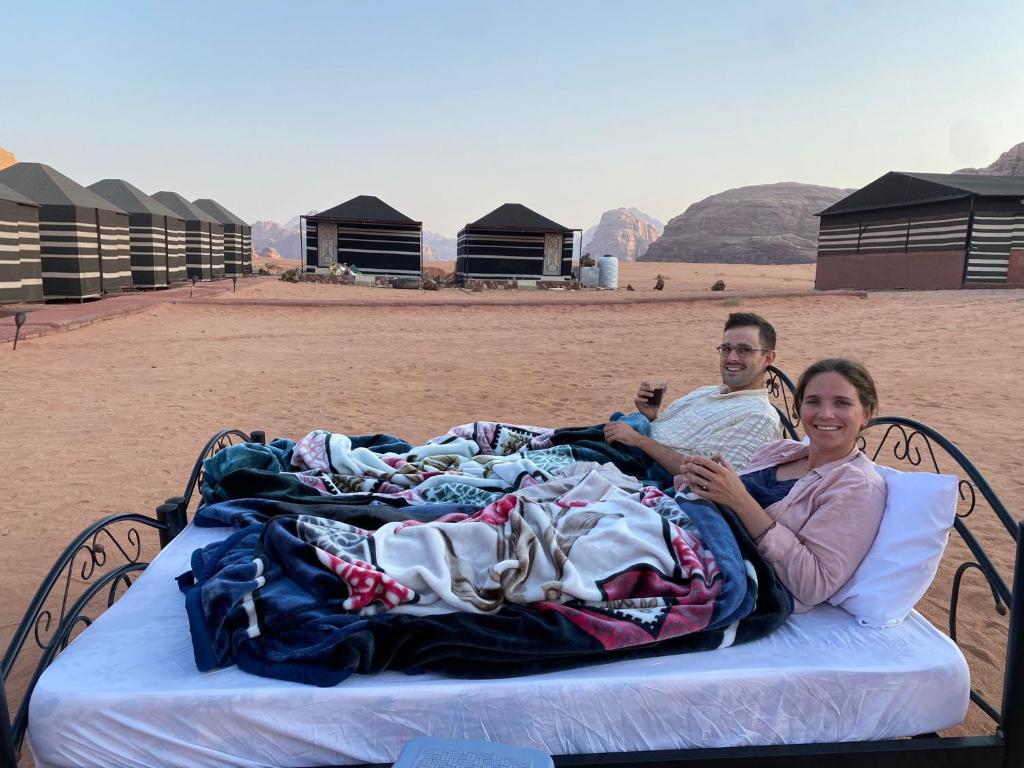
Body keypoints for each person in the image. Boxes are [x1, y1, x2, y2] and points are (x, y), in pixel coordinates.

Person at [674, 358, 887, 612]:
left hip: (712, 571)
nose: (826, 413)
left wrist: (740, 501)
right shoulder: (780, 450)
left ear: (866, 414)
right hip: (683, 530)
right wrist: (707, 479)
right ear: (799, 409)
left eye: (842, 403)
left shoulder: (857, 487)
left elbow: (813, 585)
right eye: (813, 401)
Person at [602, 312, 783, 472]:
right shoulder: (707, 391)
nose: (731, 358)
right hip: (627, 449)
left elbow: (708, 477)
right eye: (726, 349)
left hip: (640, 468)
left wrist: (640, 441)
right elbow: (673, 440)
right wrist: (651, 417)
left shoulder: (759, 417)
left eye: (744, 350)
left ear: (768, 358)